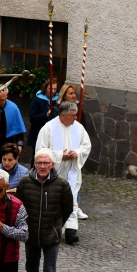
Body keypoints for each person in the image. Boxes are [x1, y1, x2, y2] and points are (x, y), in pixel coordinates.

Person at [15, 149, 73, 272]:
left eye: (45, 163)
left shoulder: (62, 185)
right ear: (34, 164)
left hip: (51, 236)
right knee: (31, 270)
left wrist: (56, 227)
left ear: (52, 165)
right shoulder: (25, 182)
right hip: (31, 235)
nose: (42, 166)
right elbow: (19, 206)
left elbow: (67, 209)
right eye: (39, 163)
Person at [35, 101, 91, 244]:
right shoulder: (48, 128)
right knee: (54, 199)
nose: (76, 118)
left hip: (72, 169)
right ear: (63, 115)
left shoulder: (78, 128)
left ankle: (71, 230)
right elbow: (41, 150)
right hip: (54, 169)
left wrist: (77, 152)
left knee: (71, 197)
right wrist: (60, 155)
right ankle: (54, 228)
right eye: (73, 115)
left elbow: (86, 145)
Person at [56, 83, 88, 220]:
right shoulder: (57, 112)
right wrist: (58, 155)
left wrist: (78, 152)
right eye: (70, 93)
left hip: (73, 156)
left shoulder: (78, 111)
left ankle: (76, 206)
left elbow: (84, 135)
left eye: (74, 93)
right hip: (59, 158)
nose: (73, 95)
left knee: (75, 180)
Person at [27, 80, 59, 155]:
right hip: (38, 132)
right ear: (45, 88)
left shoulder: (57, 100)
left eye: (55, 89)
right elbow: (32, 117)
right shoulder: (37, 100)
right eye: (50, 89)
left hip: (53, 134)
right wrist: (45, 115)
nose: (53, 91)